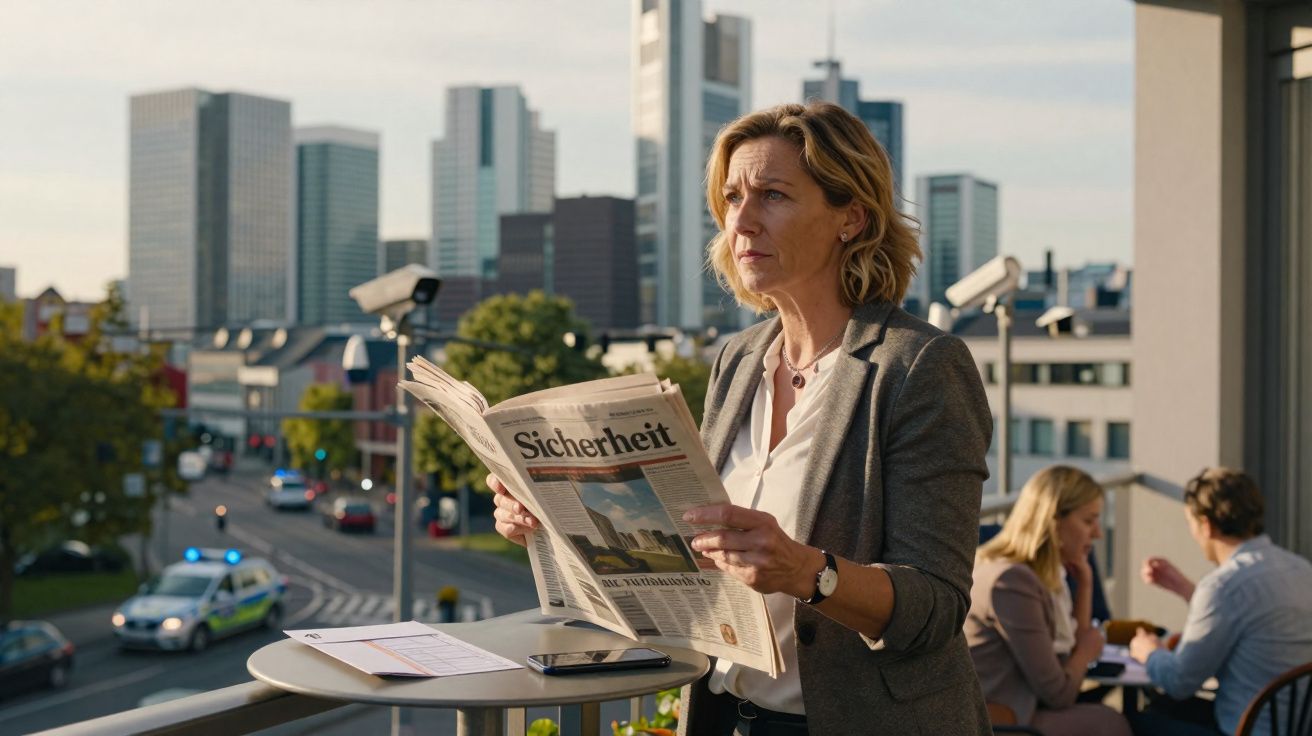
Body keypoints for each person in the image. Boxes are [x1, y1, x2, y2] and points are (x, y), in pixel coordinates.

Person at [490, 101, 994, 734]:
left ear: (852, 218)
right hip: (721, 714)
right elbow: (682, 552)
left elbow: (937, 606)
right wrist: (550, 518)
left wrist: (809, 572)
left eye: (774, 195)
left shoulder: (919, 367)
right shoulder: (737, 358)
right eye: (731, 199)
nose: (743, 221)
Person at [1128, 467, 1312, 736]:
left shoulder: (1223, 586)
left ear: (1206, 525)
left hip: (1246, 729)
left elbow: (1179, 682)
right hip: (1297, 727)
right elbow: (1250, 614)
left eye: (1190, 523)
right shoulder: (1300, 569)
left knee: (1131, 722)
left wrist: (1149, 652)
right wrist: (1185, 588)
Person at [965, 465, 1132, 735]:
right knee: (1109, 724)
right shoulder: (1011, 583)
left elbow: (1070, 661)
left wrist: (1086, 585)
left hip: (1019, 710)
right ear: (1053, 520)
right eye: (1089, 521)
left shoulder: (1040, 576)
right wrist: (1087, 651)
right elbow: (1059, 693)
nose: (1098, 534)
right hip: (1000, 722)